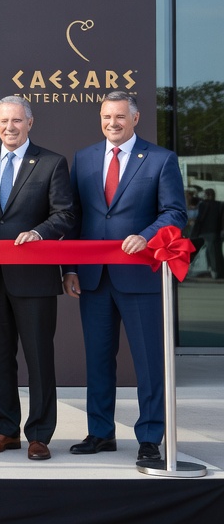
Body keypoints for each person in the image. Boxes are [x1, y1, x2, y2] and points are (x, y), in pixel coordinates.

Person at [65, 91, 186, 463]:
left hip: (141, 275)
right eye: (106, 117)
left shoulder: (161, 159)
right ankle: (100, 432)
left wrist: (146, 236)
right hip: (93, 277)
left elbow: (174, 213)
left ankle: (150, 437)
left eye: (119, 116)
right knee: (98, 358)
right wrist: (69, 267)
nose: (112, 123)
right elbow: (74, 217)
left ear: (135, 118)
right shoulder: (84, 158)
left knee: (149, 361)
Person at [0, 95, 78, 462]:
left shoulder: (50, 163)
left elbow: (65, 214)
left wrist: (40, 233)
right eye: (3, 121)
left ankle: (40, 434)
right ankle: (5, 431)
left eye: (16, 121)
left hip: (34, 278)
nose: (9, 127)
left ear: (29, 123)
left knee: (39, 358)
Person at [190, 188, 222, 279]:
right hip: (213, 231)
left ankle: (213, 269)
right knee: (213, 252)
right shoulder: (218, 205)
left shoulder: (203, 205)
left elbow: (200, 219)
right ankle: (214, 270)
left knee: (210, 252)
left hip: (205, 231)